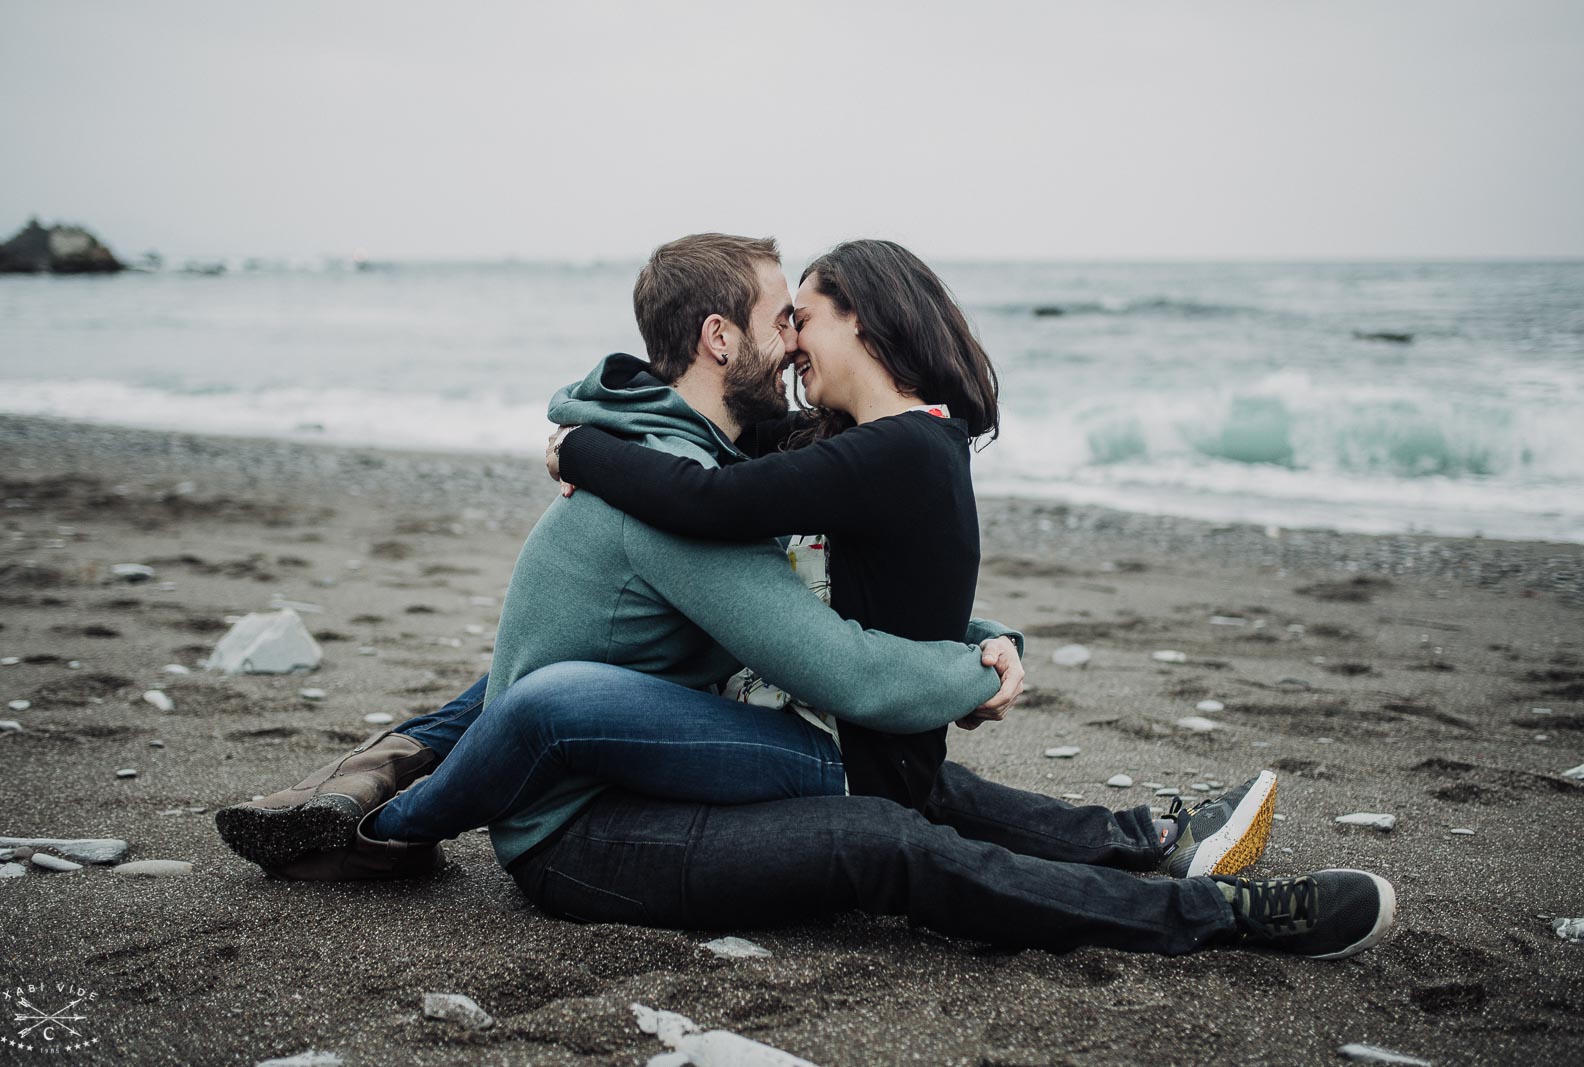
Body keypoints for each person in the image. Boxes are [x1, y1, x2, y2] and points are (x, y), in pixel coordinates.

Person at [217, 233, 1395, 959]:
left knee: (878, 777)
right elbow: (830, 659)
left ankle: (1152, 843)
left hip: (644, 765)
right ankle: (1221, 918)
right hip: (590, 839)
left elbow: (803, 594)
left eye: (806, 317)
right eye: (784, 315)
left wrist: (982, 639)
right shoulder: (671, 493)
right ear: (723, 334)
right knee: (880, 820)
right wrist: (974, 671)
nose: (794, 341)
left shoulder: (708, 470)